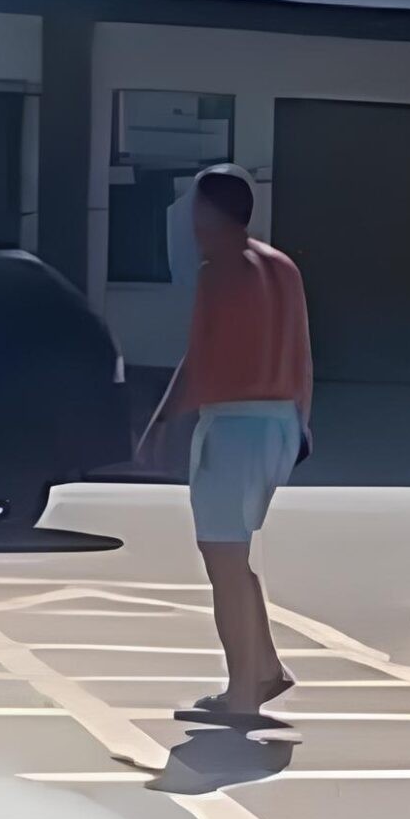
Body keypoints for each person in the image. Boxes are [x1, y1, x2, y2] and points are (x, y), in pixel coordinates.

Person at [138, 166, 313, 725]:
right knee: (235, 559)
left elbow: (201, 361)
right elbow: (303, 353)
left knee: (224, 563)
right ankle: (264, 670)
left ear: (207, 215)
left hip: (234, 427)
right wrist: (300, 427)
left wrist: (163, 422)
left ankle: (243, 693)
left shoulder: (220, 273)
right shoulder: (282, 266)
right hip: (280, 422)